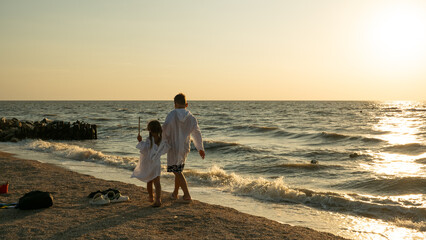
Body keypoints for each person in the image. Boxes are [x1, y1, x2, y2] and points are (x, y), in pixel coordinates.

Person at [162, 93, 205, 202]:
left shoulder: (172, 114)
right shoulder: (191, 117)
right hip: (185, 147)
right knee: (178, 168)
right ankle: (175, 193)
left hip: (174, 146)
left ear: (175, 104)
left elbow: (165, 129)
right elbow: (197, 133)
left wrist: (160, 142)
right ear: (186, 104)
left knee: (176, 171)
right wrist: (200, 148)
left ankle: (187, 195)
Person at [131, 120, 169, 207]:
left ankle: (151, 197)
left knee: (149, 181)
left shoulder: (149, 140)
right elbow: (164, 149)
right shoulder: (161, 140)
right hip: (156, 163)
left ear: (150, 130)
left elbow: (145, 150)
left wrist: (140, 141)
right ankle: (158, 199)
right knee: (157, 182)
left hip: (149, 164)